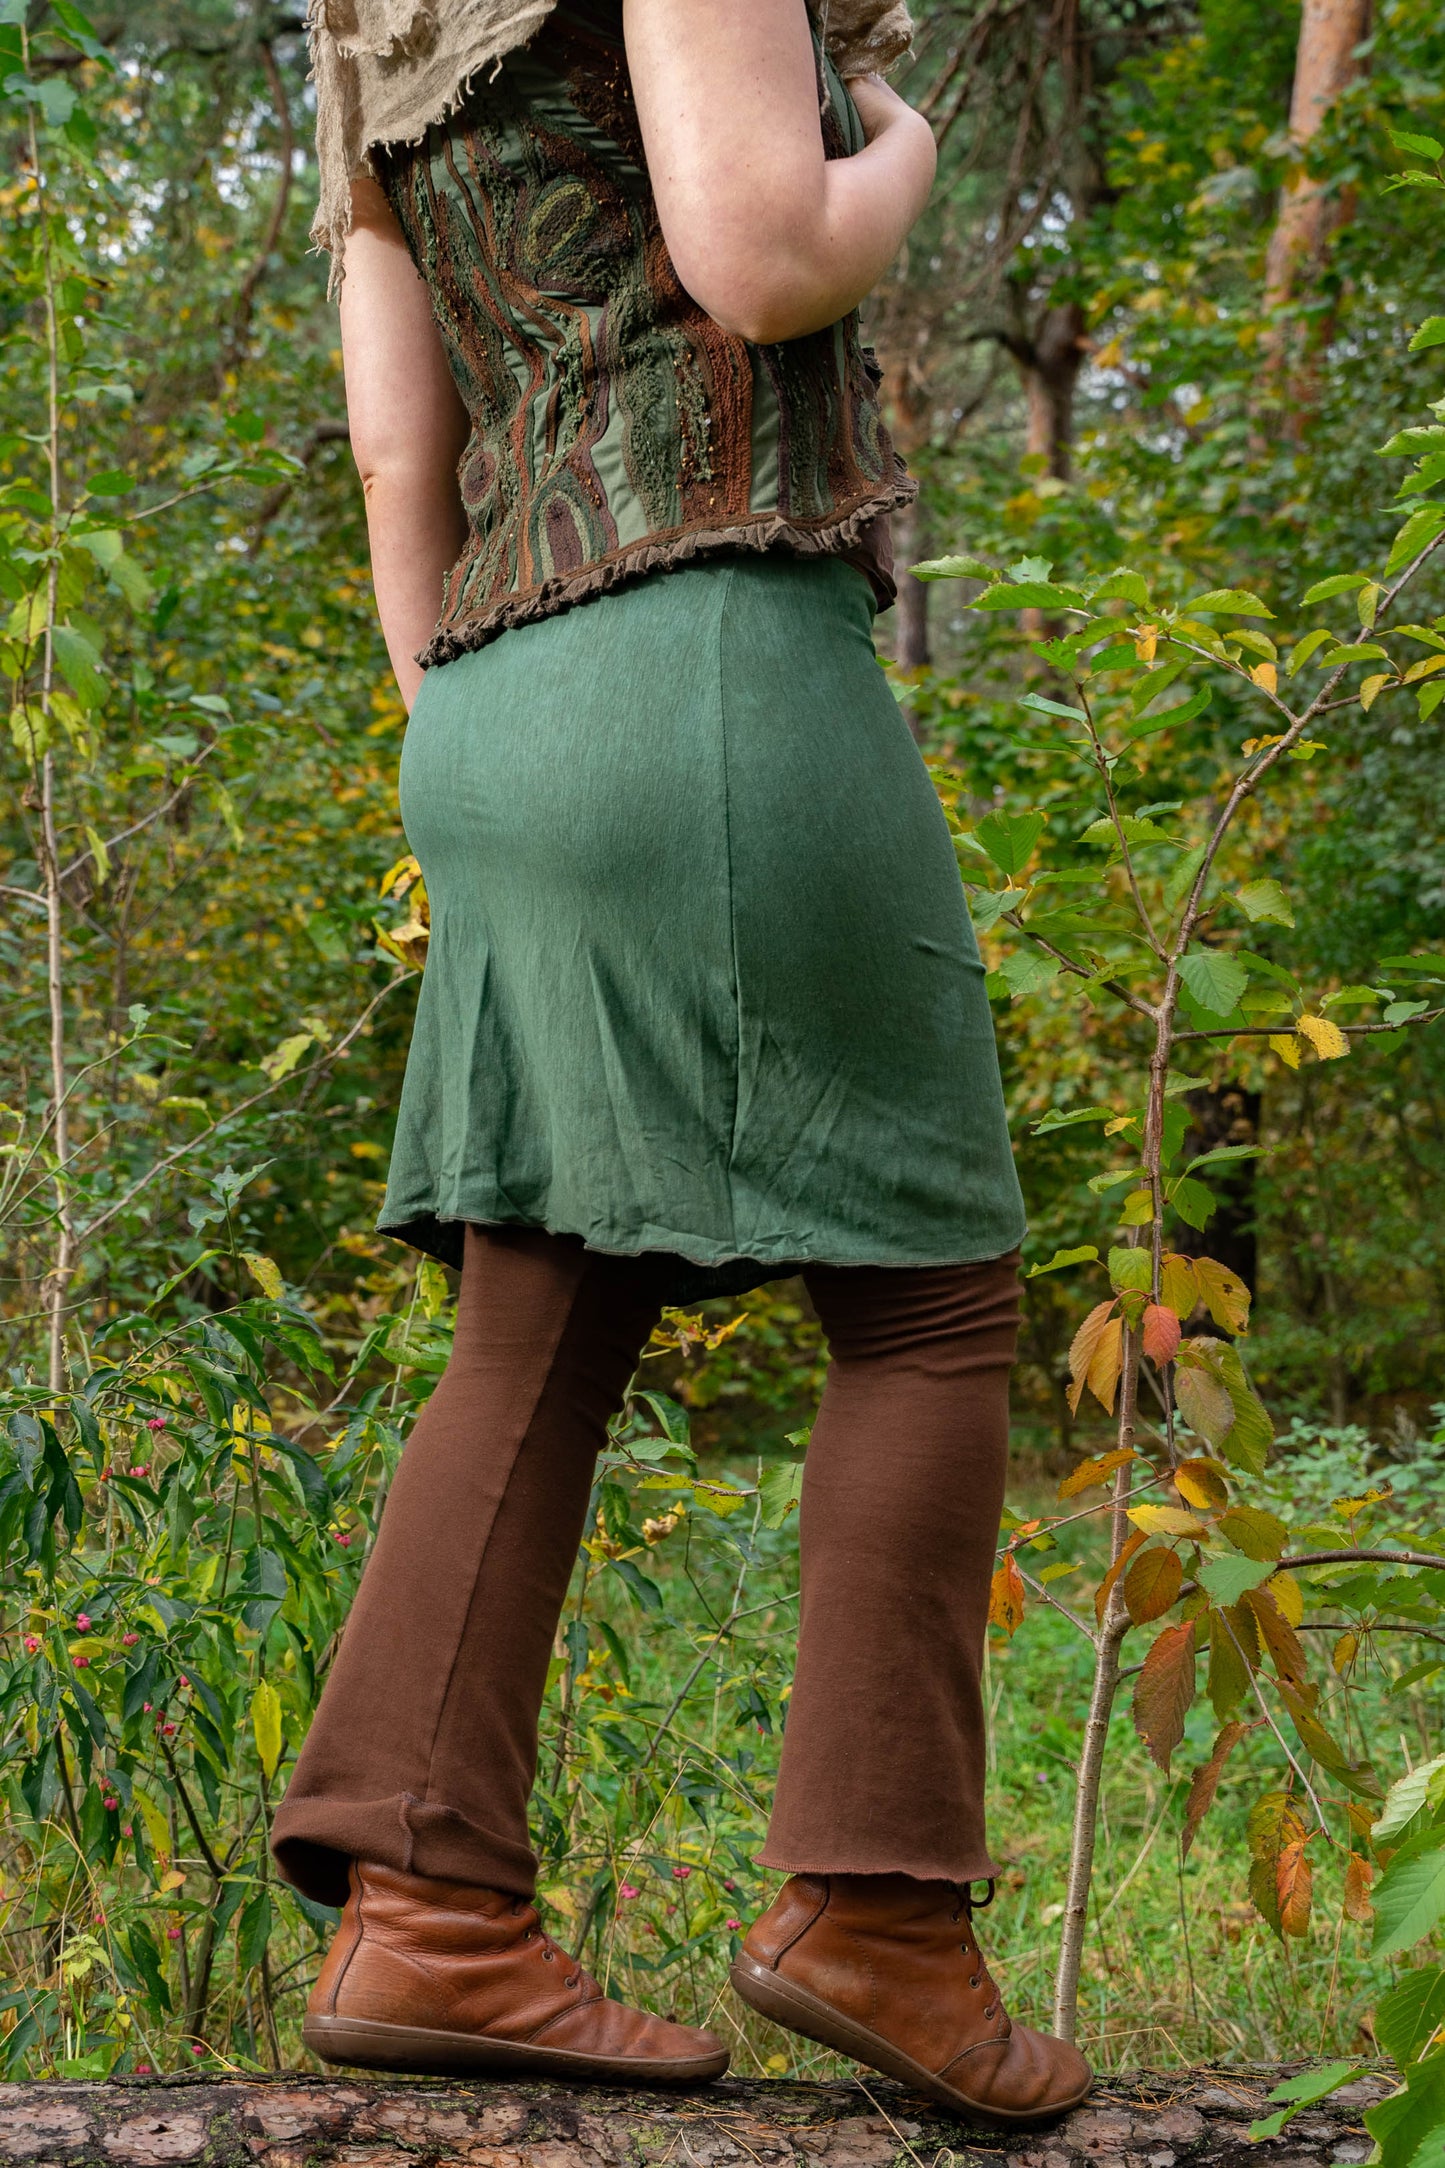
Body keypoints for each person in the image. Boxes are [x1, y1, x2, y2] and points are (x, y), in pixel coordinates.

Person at [273, 0, 1091, 2125]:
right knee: (925, 1295)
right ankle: (882, 1915)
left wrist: (483, 730)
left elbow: (394, 449)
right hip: (709, 635)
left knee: (540, 1307)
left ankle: (428, 1905)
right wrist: (902, 143)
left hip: (490, 684)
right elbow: (762, 254)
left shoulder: (368, 17)